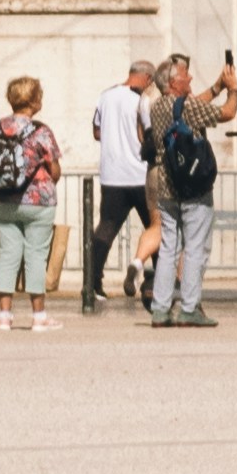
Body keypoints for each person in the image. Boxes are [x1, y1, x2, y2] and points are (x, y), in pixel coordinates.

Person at [147, 48, 236, 330]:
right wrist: (232, 90)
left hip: (166, 186)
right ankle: (189, 308)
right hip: (193, 187)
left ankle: (160, 309)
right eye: (185, 76)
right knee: (196, 247)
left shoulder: (158, 107)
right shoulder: (186, 107)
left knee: (169, 248)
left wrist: (216, 86)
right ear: (174, 83)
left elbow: (194, 105)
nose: (190, 78)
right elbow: (226, 113)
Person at [0, 76, 66, 332]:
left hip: (3, 199)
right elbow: (54, 169)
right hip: (37, 201)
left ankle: (4, 316)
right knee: (35, 256)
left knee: (8, 254)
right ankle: (39, 317)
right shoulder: (40, 131)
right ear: (34, 101)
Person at [84, 56, 158, 313]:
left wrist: (113, 137)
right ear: (148, 78)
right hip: (140, 175)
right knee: (156, 229)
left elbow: (96, 131)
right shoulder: (143, 101)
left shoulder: (105, 96)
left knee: (105, 229)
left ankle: (92, 284)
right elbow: (149, 134)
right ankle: (158, 282)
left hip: (112, 175)